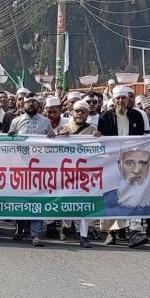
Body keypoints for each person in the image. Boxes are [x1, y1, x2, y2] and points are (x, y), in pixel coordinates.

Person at [96, 86, 149, 248]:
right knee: (111, 196)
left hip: (132, 162)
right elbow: (101, 139)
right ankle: (111, 233)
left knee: (133, 194)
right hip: (111, 162)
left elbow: (143, 138)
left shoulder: (137, 116)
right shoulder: (105, 117)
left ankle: (134, 231)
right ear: (113, 100)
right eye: (118, 98)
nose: (121, 101)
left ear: (128, 99)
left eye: (123, 98)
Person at [50, 99, 98, 248]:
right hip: (66, 172)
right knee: (65, 200)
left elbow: (99, 149)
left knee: (83, 204)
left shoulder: (92, 130)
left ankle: (83, 234)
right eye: (77, 111)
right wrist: (57, 136)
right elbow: (52, 146)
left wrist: (98, 138)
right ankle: (65, 226)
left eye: (83, 111)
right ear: (72, 112)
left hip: (84, 174)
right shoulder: (64, 128)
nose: (80, 114)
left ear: (87, 114)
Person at [8, 94, 51, 246]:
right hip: (20, 167)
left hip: (39, 167)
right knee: (20, 198)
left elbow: (51, 142)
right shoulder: (16, 121)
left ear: (39, 105)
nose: (31, 104)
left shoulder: (45, 121)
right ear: (23, 105)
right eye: (28, 102)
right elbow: (8, 145)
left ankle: (36, 234)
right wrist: (11, 137)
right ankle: (20, 227)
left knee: (37, 200)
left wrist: (52, 136)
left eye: (34, 102)